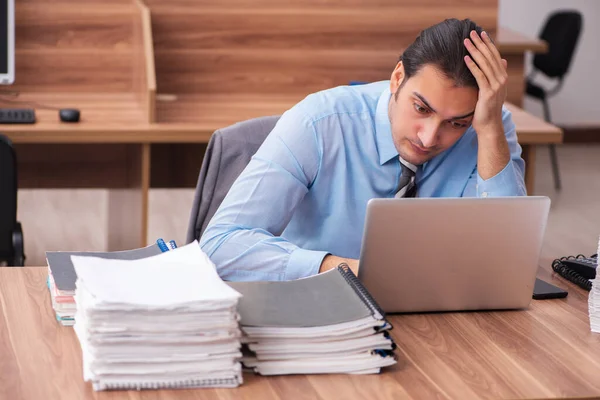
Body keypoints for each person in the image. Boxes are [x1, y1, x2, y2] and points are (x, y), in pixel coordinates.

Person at [200, 18, 526, 282]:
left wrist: (488, 129)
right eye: (421, 109)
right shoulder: (318, 122)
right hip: (318, 303)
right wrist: (347, 270)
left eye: (456, 123)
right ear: (398, 78)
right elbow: (221, 244)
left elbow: (509, 258)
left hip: (440, 320)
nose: (428, 138)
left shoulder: (488, 126)